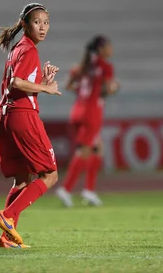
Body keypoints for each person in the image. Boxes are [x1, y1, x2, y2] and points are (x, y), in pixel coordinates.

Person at [0, 3, 61, 249]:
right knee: (50, 175)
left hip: (7, 116)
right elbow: (17, 83)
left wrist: (41, 81)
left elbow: (16, 86)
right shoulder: (29, 50)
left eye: (46, 22)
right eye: (37, 22)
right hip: (23, 117)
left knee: (21, 181)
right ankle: (6, 216)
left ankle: (6, 239)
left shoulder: (17, 49)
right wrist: (46, 88)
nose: (42, 27)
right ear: (24, 24)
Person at [55, 35, 119, 207]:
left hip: (77, 111)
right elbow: (110, 88)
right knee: (83, 151)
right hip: (92, 113)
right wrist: (115, 87)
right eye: (108, 46)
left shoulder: (81, 67)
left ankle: (89, 191)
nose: (111, 49)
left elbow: (68, 86)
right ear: (101, 49)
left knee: (97, 149)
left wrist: (85, 91)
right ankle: (66, 189)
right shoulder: (105, 67)